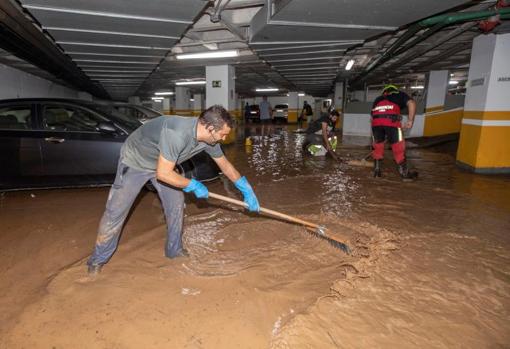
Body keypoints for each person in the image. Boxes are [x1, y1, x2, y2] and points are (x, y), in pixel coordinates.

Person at [87, 105, 260, 275]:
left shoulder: (210, 140)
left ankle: (174, 251)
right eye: (222, 134)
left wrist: (246, 190)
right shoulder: (176, 133)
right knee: (116, 211)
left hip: (164, 163)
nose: (223, 139)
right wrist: (192, 184)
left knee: (176, 204)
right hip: (136, 161)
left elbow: (226, 166)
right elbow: (163, 174)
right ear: (209, 128)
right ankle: (97, 259)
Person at [371, 84, 418, 180]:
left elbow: (373, 115)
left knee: (378, 146)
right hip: (392, 122)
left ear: (385, 92)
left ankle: (376, 171)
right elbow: (412, 103)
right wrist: (410, 121)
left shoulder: (378, 99)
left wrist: (383, 130)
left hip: (376, 123)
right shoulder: (399, 94)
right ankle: (404, 174)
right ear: (394, 90)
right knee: (398, 146)